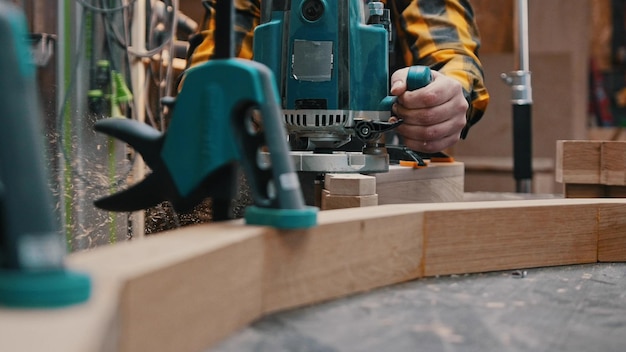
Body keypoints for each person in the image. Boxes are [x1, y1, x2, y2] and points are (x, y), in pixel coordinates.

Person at [187, 0, 489, 153]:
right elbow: (209, 72)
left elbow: (450, 51)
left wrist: (447, 94)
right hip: (273, 163)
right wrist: (222, 103)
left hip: (388, 166)